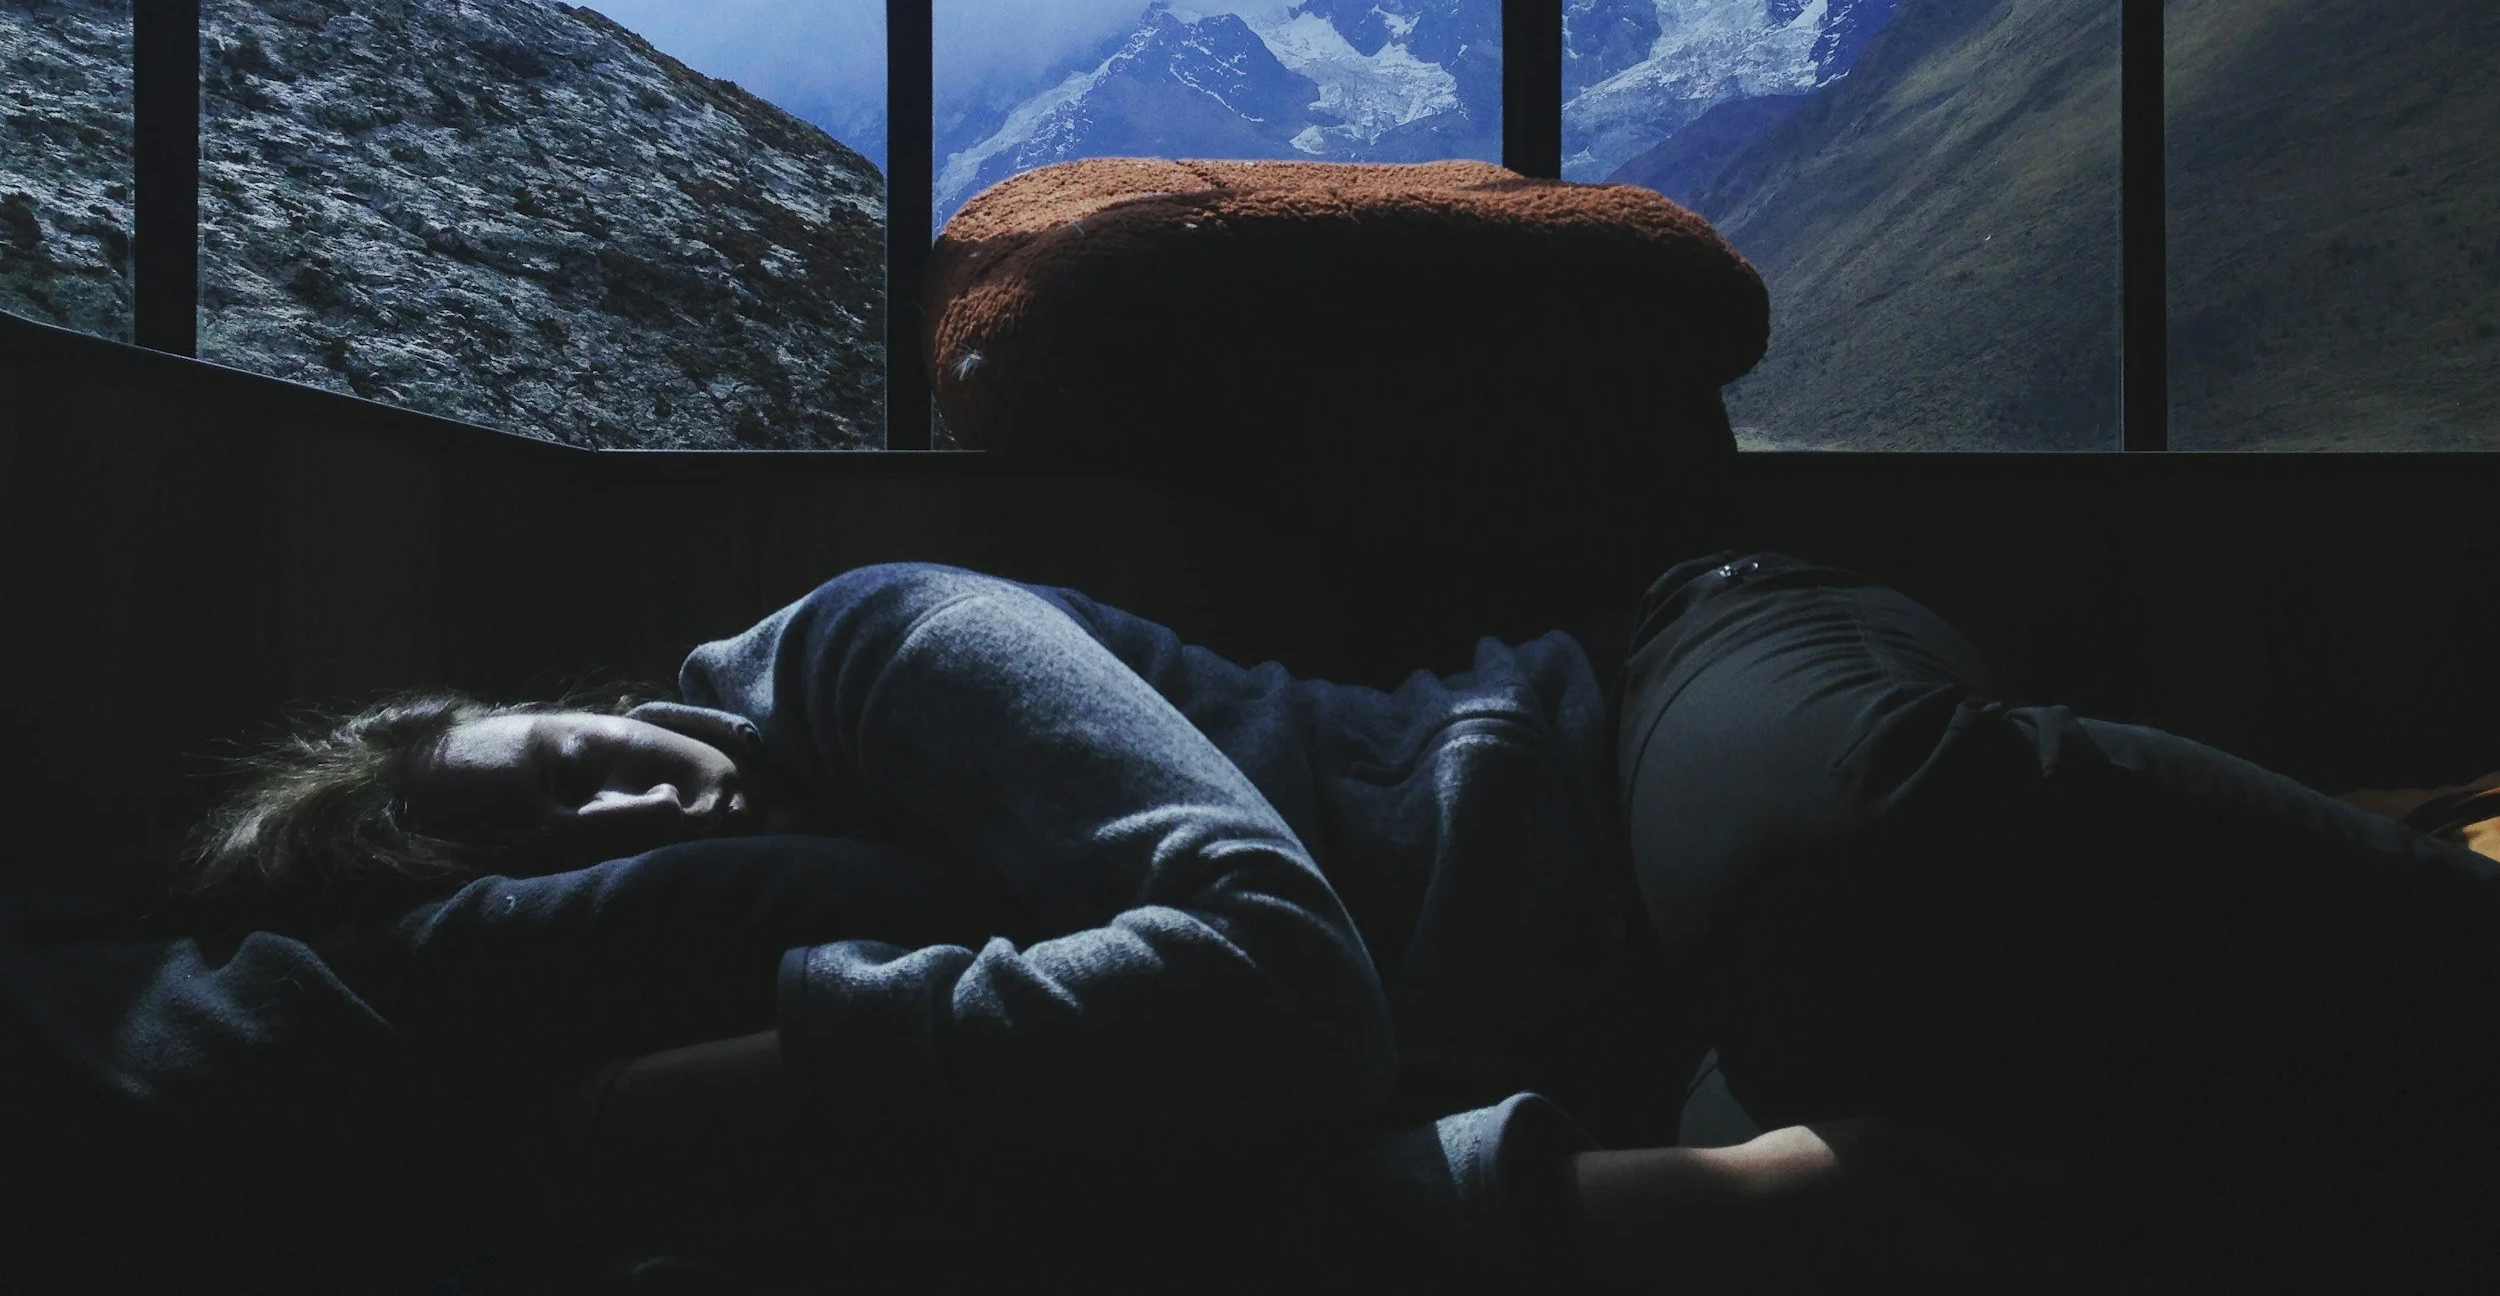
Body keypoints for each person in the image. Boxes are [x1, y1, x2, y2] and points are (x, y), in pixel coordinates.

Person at [180, 553, 2500, 1295]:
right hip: (1606, 1022)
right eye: (560, 837)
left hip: (1631, 721)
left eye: (559, 746)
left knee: (1840, 855)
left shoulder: (870, 641)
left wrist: (738, 1067)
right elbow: (1209, 1198)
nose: (620, 795)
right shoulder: (864, 939)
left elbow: (1271, 989)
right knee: (1999, 1182)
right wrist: (1646, 1201)